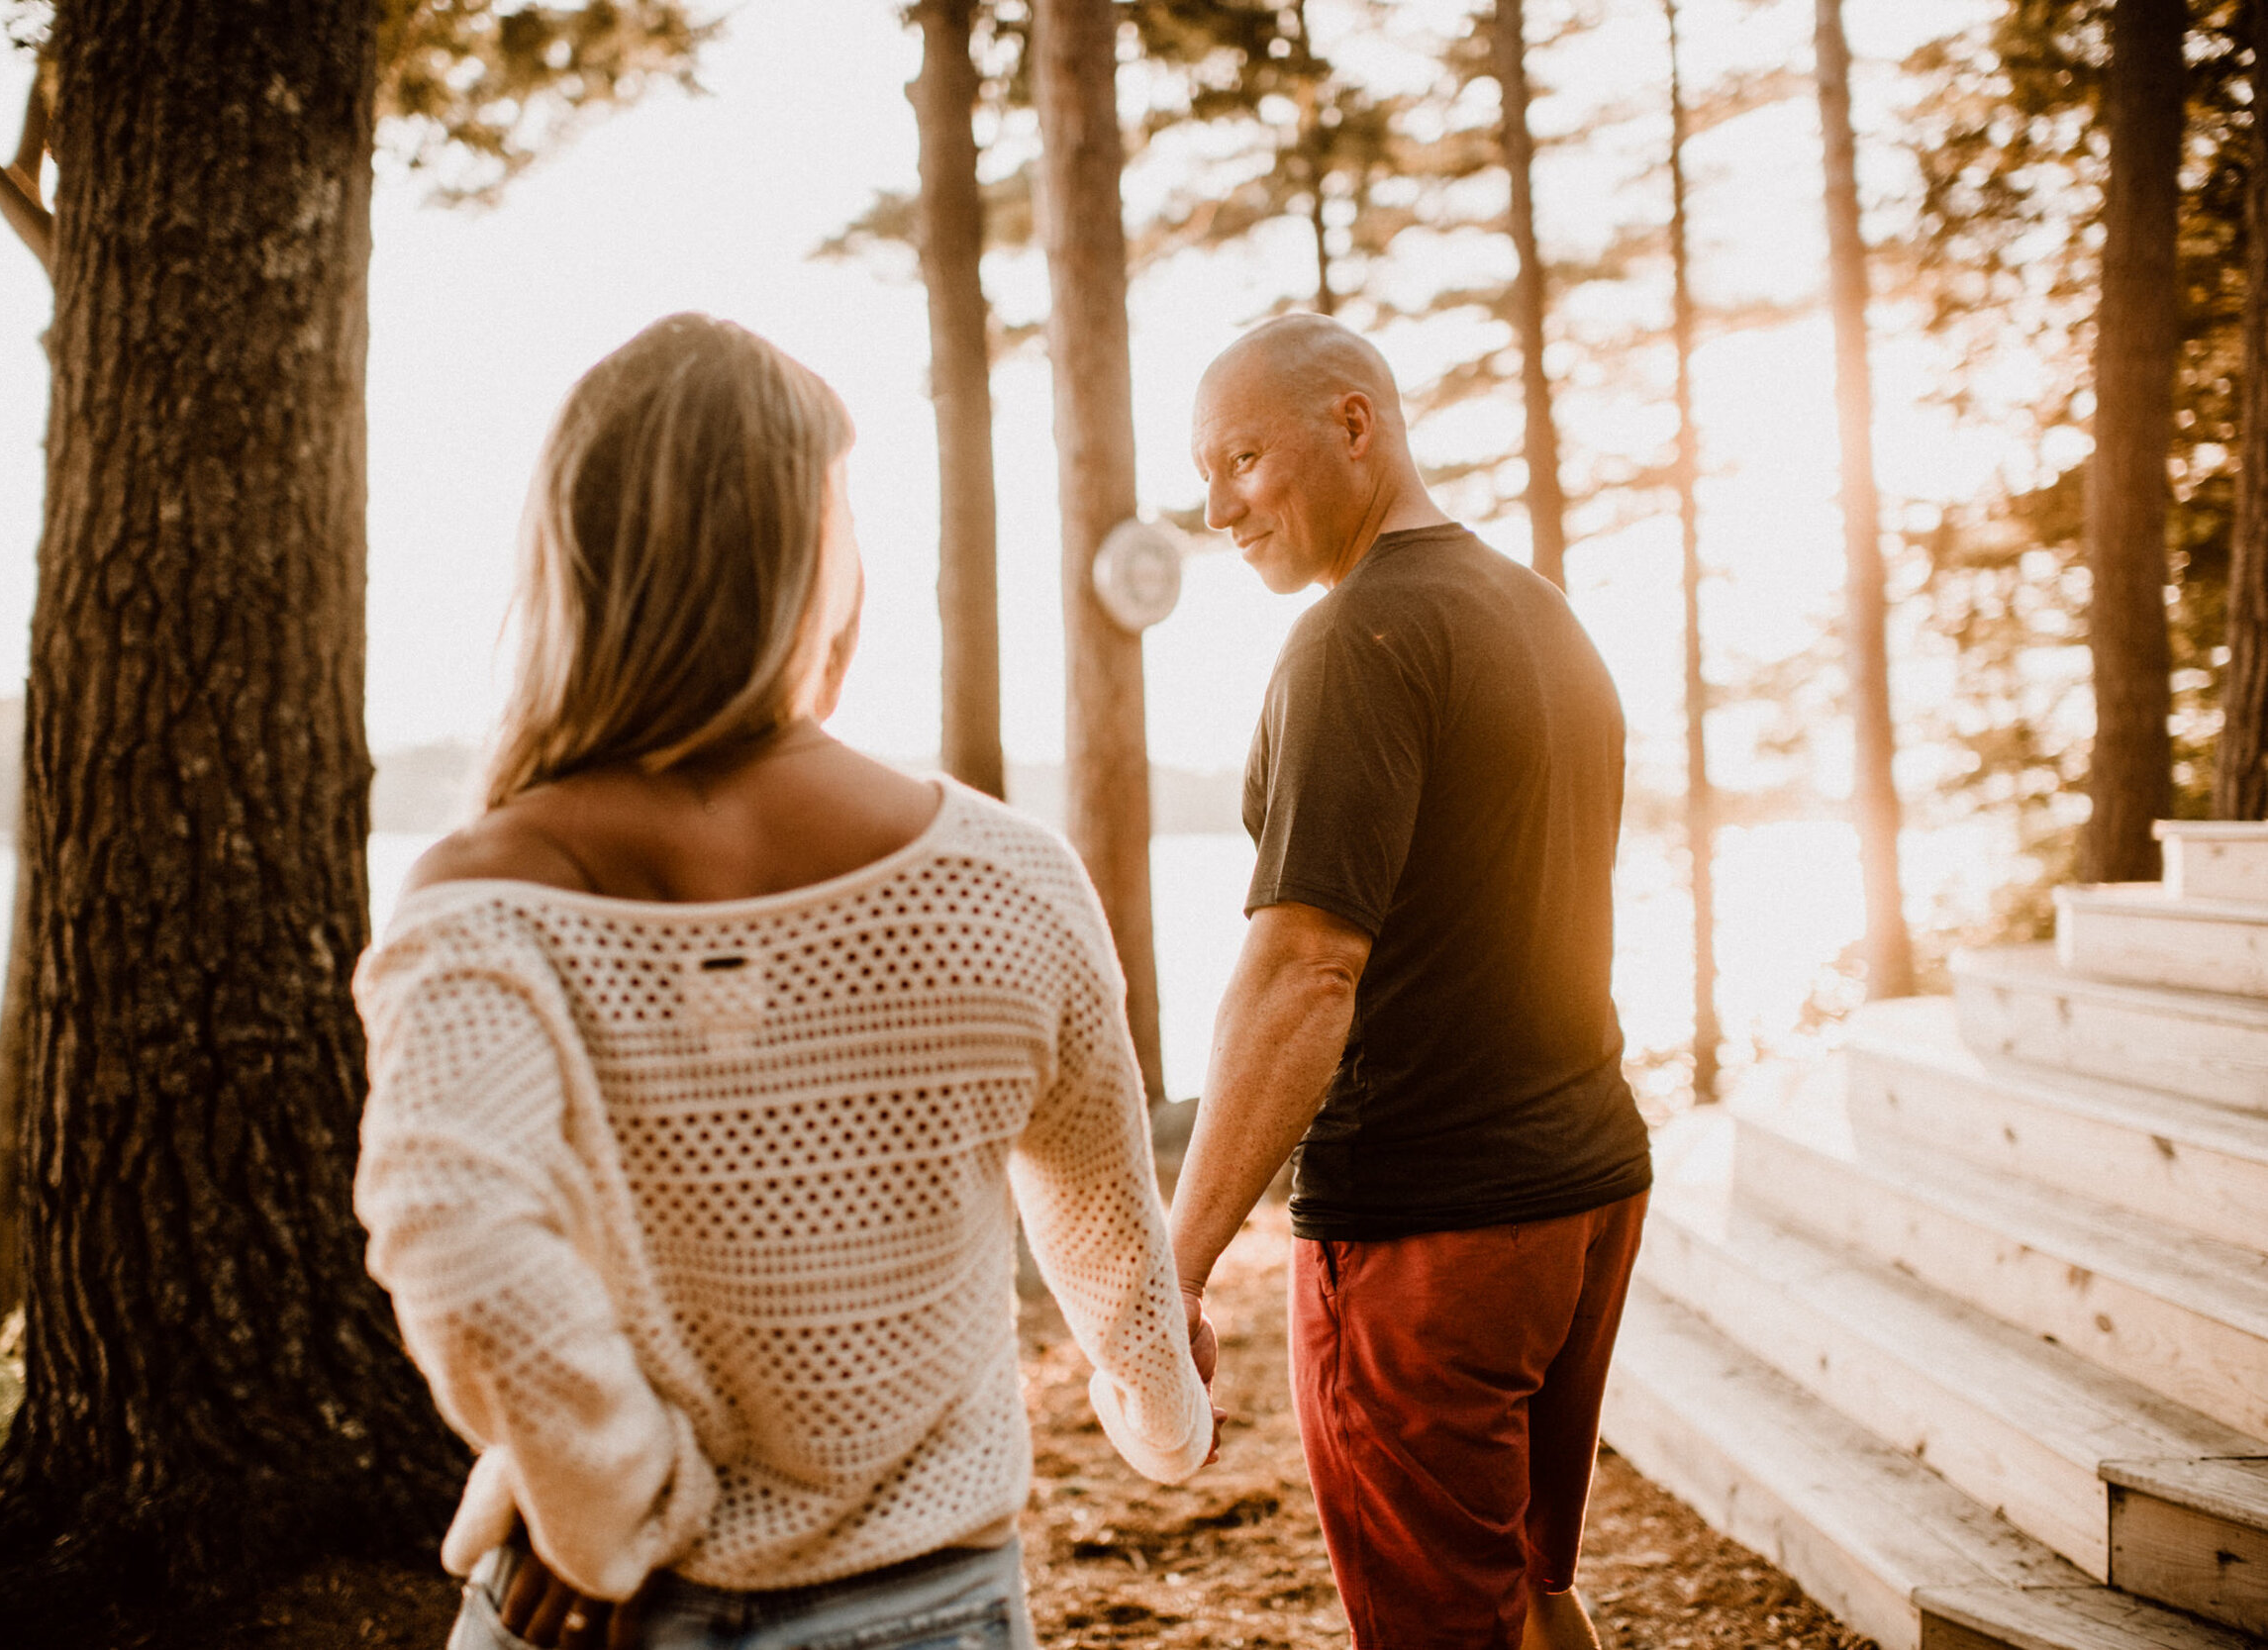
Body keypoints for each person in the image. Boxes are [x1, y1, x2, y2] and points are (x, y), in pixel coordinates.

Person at [352, 314, 1217, 1650]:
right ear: (819, 557)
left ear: (575, 557)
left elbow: (458, 1242)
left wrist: (608, 1497)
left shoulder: (483, 895)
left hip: (599, 1609)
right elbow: (1105, 1227)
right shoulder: (1007, 876)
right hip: (929, 1609)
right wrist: (1164, 1418)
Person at [1167, 314, 1652, 1650]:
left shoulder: (1353, 643)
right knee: (1526, 1590)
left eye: (1242, 458)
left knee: (1442, 1624)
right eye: (1203, 474)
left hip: (1431, 1236)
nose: (1217, 508)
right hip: (1588, 1189)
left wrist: (1178, 1264)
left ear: (1356, 425)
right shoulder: (1539, 615)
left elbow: (1303, 971)